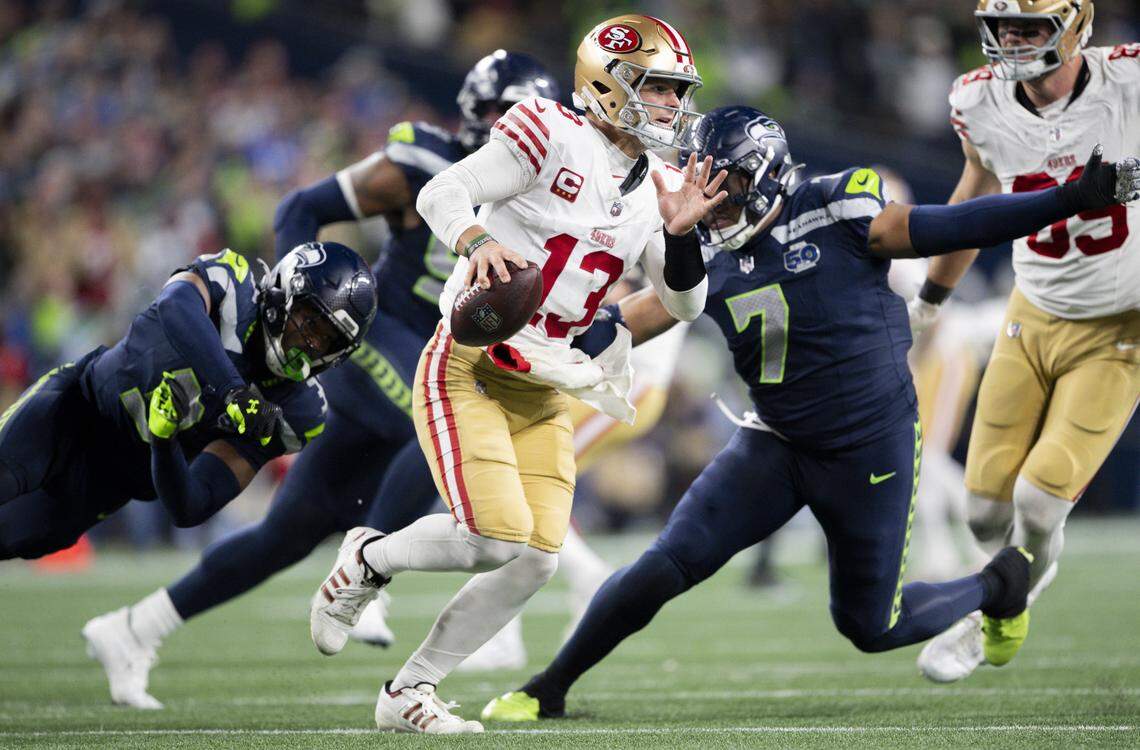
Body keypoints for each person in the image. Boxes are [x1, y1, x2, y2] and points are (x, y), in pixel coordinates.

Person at [476, 104, 1140, 722]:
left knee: (869, 627)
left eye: (722, 184)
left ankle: (1001, 582)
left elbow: (950, 225)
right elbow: (629, 319)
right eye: (699, 181)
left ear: (759, 178)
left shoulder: (835, 206)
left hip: (868, 447)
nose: (706, 199)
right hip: (776, 442)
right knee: (666, 564)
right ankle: (548, 690)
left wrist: (1068, 200)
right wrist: (538, 331)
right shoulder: (699, 251)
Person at [82, 51, 556, 709]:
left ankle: (135, 628)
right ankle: (365, 567)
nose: (525, 126)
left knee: (288, 533)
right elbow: (303, 207)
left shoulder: (545, 199)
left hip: (421, 360)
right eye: (511, 112)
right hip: (364, 341)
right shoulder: (427, 162)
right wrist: (290, 308)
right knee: (435, 409)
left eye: (537, 115)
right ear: (479, 112)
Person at [308, 13, 721, 733]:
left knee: (535, 561)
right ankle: (368, 556)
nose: (669, 106)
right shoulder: (548, 131)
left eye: (675, 91)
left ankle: (409, 693)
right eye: (656, 88)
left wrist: (681, 236)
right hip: (469, 362)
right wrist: (475, 243)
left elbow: (686, 301)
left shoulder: (660, 184)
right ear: (608, 83)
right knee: (495, 537)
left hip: (547, 379)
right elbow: (443, 195)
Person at [909, 0, 1140, 682]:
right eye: (1003, 27)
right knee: (984, 510)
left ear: (1075, 27)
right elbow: (973, 194)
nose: (1012, 40)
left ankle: (1003, 609)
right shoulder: (978, 101)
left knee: (1039, 502)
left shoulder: (1128, 85)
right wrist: (931, 297)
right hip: (1030, 311)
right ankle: (1012, 572)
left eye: (1029, 27)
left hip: (1118, 326)